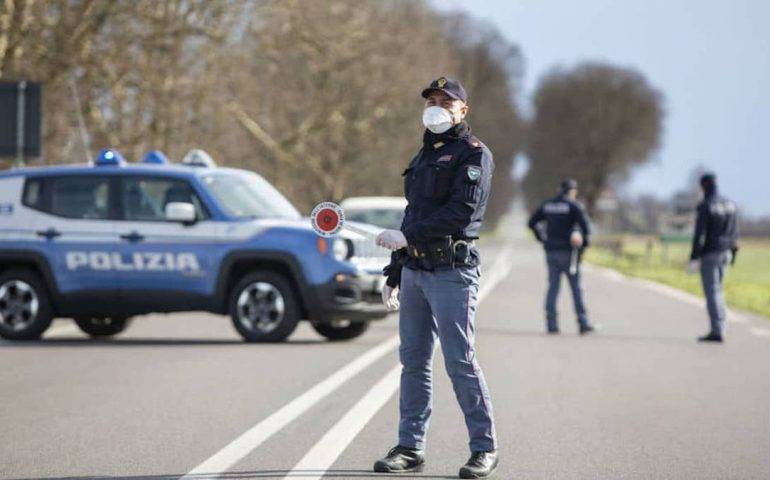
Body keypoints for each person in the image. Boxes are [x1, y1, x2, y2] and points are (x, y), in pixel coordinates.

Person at [374, 76, 498, 479]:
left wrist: (408, 237)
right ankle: (410, 447)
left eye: (446, 101)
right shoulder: (424, 155)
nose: (437, 106)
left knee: (460, 362)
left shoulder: (474, 155)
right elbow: (413, 214)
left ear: (463, 110)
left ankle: (484, 448)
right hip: (415, 272)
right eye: (432, 100)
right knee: (413, 362)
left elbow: (461, 213)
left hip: (452, 273)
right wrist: (395, 271)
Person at [527, 179, 595, 334]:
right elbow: (587, 229)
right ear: (572, 191)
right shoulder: (574, 206)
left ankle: (551, 324)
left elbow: (532, 223)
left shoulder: (547, 205)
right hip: (569, 253)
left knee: (553, 288)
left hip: (551, 251)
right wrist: (582, 246)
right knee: (576, 289)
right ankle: (583, 323)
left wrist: (541, 238)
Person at [688, 173, 738, 343]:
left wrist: (694, 256)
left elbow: (700, 233)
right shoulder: (730, 204)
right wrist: (733, 251)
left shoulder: (706, 205)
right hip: (726, 252)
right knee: (719, 290)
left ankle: (717, 330)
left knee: (712, 291)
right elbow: (735, 231)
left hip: (711, 253)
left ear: (704, 186)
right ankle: (721, 326)